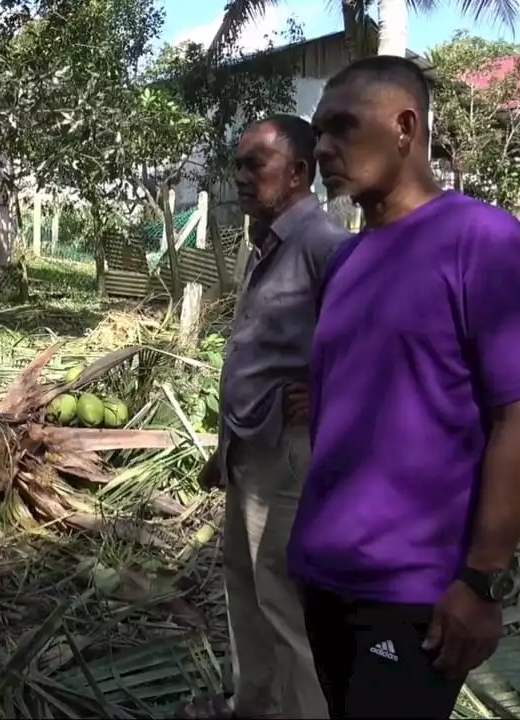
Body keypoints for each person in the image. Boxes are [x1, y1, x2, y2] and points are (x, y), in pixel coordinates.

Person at [291, 55, 520, 719]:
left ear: (403, 127)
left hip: (416, 591)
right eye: (317, 132)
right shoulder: (348, 260)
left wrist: (480, 578)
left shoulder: (483, 241)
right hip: (324, 572)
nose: (322, 148)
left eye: (340, 127)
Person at [183, 115, 349, 720]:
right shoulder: (268, 243)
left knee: (282, 601)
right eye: (238, 164)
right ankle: (254, 705)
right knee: (246, 584)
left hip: (289, 453)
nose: (241, 176)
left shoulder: (322, 246)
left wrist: (329, 391)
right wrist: (225, 446)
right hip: (252, 449)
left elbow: (369, 343)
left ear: (300, 171)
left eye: (256, 163)